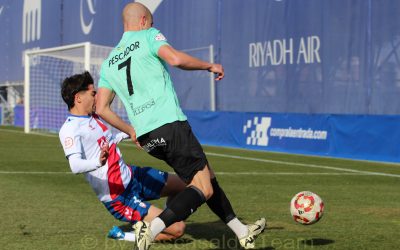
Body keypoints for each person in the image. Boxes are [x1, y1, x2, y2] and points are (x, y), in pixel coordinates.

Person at [96, 3, 266, 249]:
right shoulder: (148, 35)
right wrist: (209, 65)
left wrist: (131, 130)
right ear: (143, 21)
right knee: (203, 188)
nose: (154, 27)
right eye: (152, 23)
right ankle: (151, 230)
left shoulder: (110, 61)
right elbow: (174, 59)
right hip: (169, 125)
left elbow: (101, 108)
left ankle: (241, 231)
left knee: (207, 175)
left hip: (147, 137)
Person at [58, 72, 187, 242]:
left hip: (133, 176)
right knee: (178, 230)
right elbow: (75, 166)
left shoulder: (94, 116)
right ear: (78, 98)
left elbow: (109, 139)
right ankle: (125, 235)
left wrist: (129, 133)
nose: (96, 96)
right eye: (93, 93)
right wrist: (98, 162)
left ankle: (164, 219)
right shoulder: (70, 129)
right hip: (119, 196)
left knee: (186, 184)